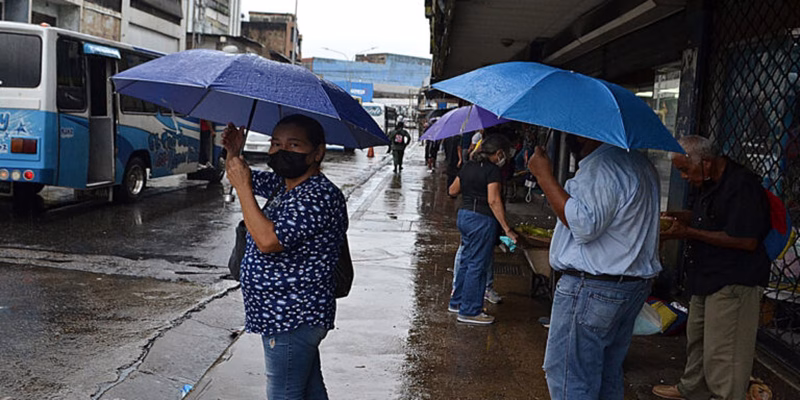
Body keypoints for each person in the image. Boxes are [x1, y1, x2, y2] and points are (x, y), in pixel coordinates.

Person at [223, 114, 348, 400]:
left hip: (293, 315)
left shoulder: (319, 196)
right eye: (276, 143)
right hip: (284, 313)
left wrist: (242, 188)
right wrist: (234, 152)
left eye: (294, 145)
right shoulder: (288, 186)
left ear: (318, 152)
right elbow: (243, 176)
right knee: (309, 390)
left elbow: (268, 241)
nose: (282, 151)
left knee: (284, 394)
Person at [528, 134, 662, 399]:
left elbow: (584, 225)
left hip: (592, 287)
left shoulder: (602, 167)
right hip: (628, 286)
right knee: (606, 373)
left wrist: (544, 176)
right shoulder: (640, 164)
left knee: (570, 375)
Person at [652, 135, 770, 400]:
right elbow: (709, 217)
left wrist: (689, 232)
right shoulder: (706, 183)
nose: (682, 176)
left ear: (705, 162)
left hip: (734, 279)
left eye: (685, 169)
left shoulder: (742, 185)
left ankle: (727, 395)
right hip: (705, 275)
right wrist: (678, 219)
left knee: (724, 354)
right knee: (698, 340)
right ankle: (692, 389)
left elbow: (747, 240)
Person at [448, 134, 518, 325]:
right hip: (481, 219)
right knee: (477, 265)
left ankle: (457, 302)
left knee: (466, 261)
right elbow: (493, 200)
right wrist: (507, 228)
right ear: (499, 153)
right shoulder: (492, 171)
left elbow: (453, 190)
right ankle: (470, 311)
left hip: (464, 216)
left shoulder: (468, 166)